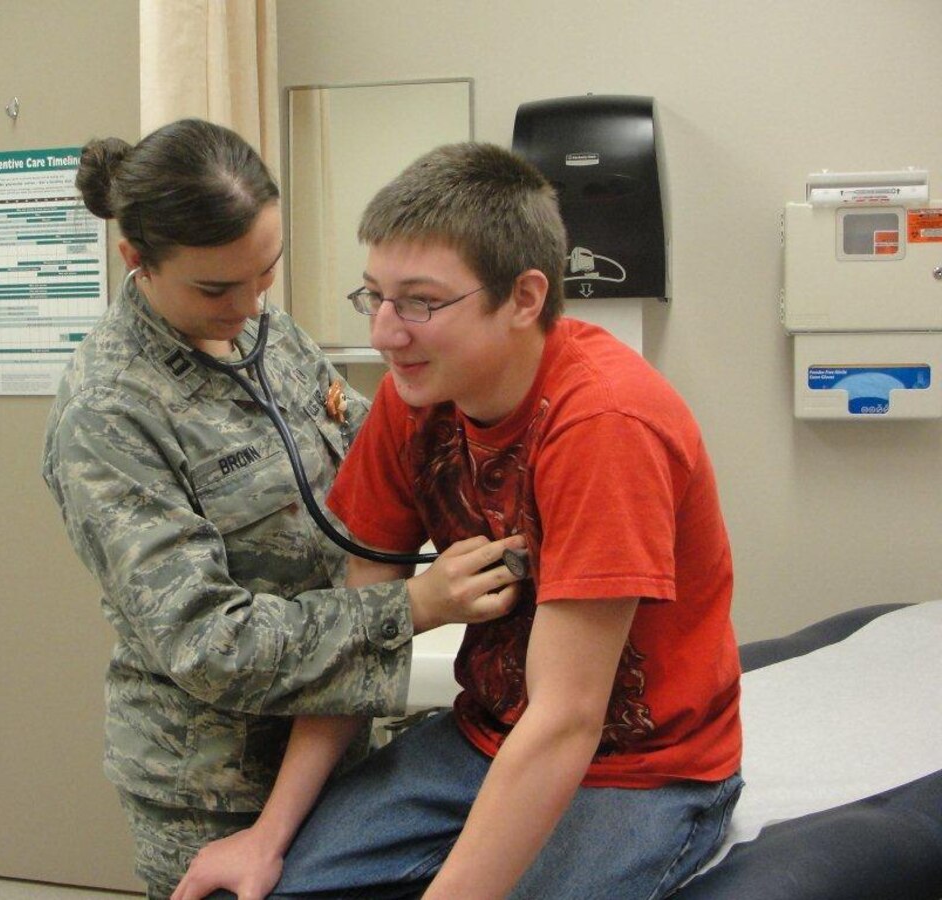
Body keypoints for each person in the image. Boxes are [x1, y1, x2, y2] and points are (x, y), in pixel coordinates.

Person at [174, 141, 743, 900]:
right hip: (480, 740)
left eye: (419, 302)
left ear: (524, 297)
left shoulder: (605, 423)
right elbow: (359, 630)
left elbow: (567, 719)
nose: (384, 332)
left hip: (642, 772)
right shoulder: (417, 401)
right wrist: (267, 838)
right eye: (373, 296)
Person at [41, 120, 525, 899]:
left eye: (264, 273)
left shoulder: (260, 331)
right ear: (137, 259)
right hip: (211, 790)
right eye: (216, 288)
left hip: (334, 743)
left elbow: (375, 454)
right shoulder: (110, 414)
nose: (249, 303)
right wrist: (409, 609)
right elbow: (209, 643)